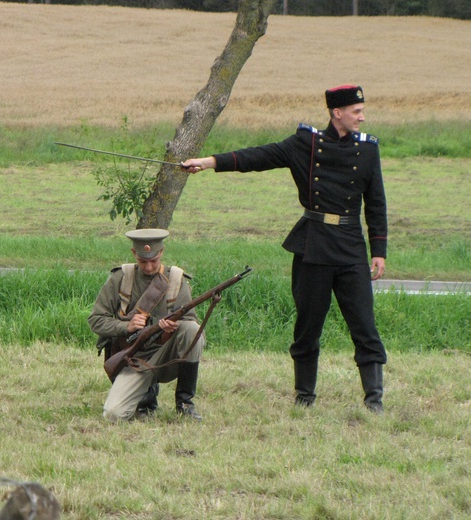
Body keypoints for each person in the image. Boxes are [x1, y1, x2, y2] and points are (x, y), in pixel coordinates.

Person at [182, 85, 388, 413]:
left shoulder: (368, 150)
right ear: (337, 113)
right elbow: (259, 157)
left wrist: (379, 250)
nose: (362, 117)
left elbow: (376, 203)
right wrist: (208, 162)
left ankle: (374, 400)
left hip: (351, 247)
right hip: (313, 245)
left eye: (362, 111)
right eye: (356, 111)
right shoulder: (305, 144)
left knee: (364, 325)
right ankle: (304, 397)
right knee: (308, 326)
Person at [88, 229, 205, 421]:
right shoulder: (120, 278)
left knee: (193, 330)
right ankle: (145, 397)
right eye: (143, 261)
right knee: (113, 414)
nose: (149, 267)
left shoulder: (176, 279)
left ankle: (184, 403)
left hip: (166, 354)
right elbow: (96, 320)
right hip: (133, 359)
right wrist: (126, 327)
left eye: (154, 261)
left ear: (161, 252)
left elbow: (190, 321)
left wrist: (171, 327)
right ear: (134, 254)